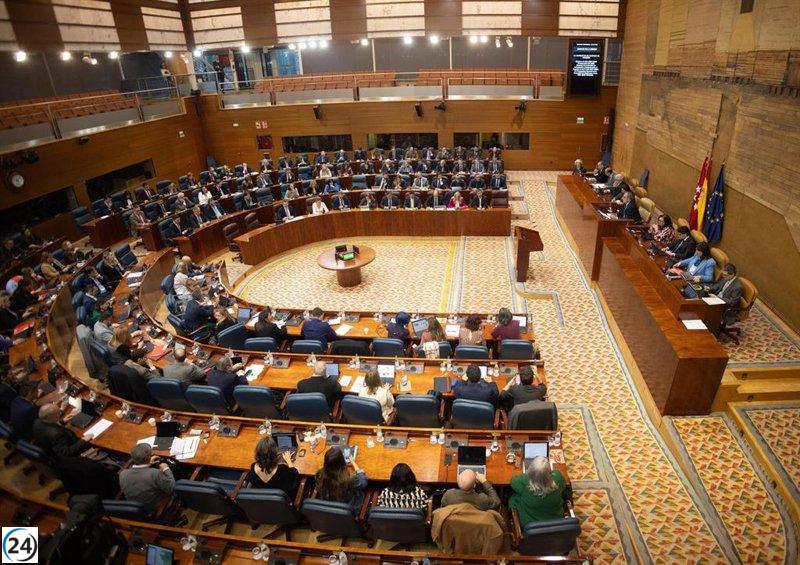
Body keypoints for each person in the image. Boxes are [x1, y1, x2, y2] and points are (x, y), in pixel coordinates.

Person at [509, 456, 567, 525]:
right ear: (550, 471)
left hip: (530, 523)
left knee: (511, 496)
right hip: (555, 520)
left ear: (530, 471)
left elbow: (513, 482)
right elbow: (563, 486)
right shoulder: (558, 477)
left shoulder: (524, 481)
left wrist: (522, 472)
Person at [119, 443, 176, 514]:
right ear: (149, 457)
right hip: (156, 508)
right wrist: (166, 469)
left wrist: (148, 463)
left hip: (136, 510)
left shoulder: (123, 474)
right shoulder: (154, 473)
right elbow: (171, 488)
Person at [315, 447, 368, 513]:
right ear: (342, 462)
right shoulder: (348, 481)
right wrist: (354, 463)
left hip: (329, 509)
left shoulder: (319, 475)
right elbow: (363, 481)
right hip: (348, 509)